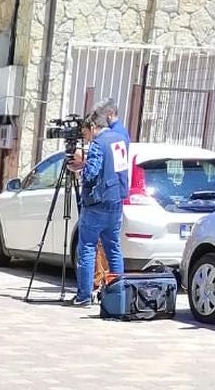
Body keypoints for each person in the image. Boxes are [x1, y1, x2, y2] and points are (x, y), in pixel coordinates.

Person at [68, 111, 128, 306]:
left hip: (97, 205)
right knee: (114, 249)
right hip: (116, 203)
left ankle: (84, 296)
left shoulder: (98, 143)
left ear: (93, 127)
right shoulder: (119, 139)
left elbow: (92, 172)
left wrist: (78, 170)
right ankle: (118, 294)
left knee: (86, 248)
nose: (86, 137)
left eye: (86, 133)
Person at [90, 98, 130, 290]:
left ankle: (101, 284)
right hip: (115, 194)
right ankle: (116, 290)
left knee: (99, 246)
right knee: (112, 247)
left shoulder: (115, 135)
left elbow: (109, 167)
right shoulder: (120, 134)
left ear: (109, 114)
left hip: (107, 195)